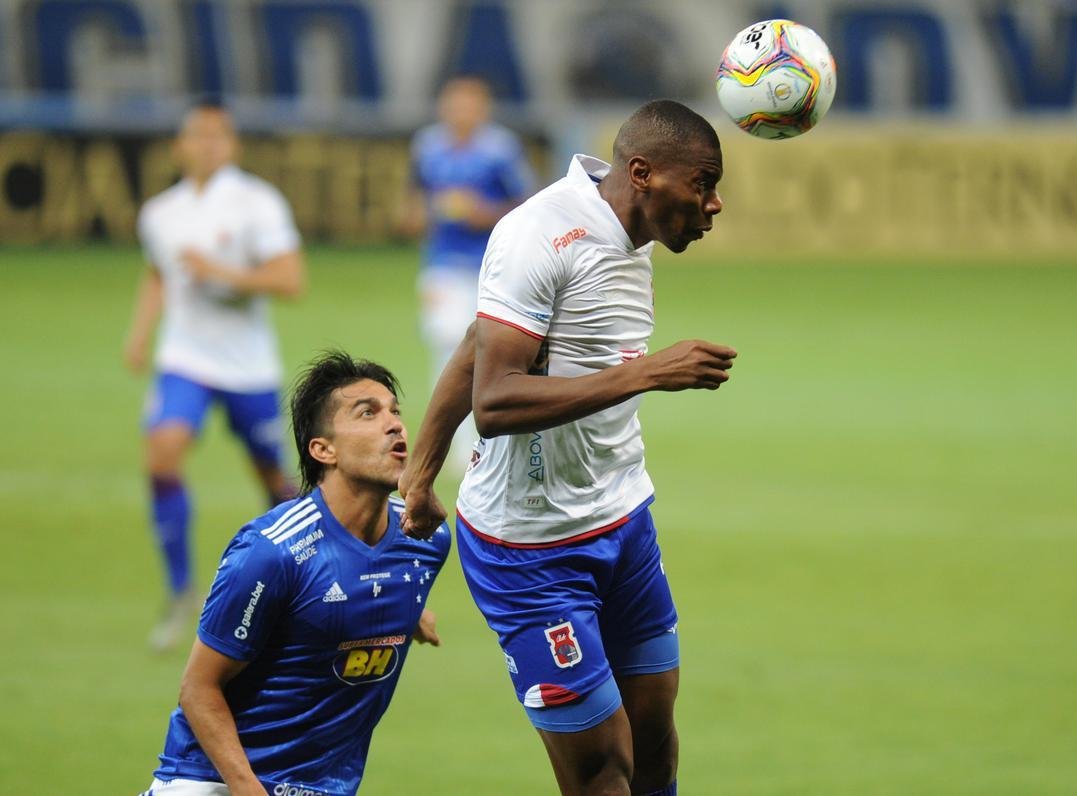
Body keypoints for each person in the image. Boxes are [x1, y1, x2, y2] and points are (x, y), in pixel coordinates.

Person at [400, 100, 736, 795]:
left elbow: (477, 339)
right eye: (702, 184)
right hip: (529, 548)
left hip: (623, 520)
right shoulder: (539, 234)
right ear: (641, 174)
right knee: (602, 771)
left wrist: (419, 474)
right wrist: (647, 372)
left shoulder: (633, 233)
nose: (714, 203)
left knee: (655, 747)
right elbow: (494, 401)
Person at [141, 351, 450, 796]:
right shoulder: (272, 551)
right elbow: (198, 688)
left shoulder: (424, 539)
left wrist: (409, 614)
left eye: (395, 411)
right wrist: (248, 790)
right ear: (324, 450)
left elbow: (361, 583)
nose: (395, 425)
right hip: (215, 782)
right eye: (368, 413)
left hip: (322, 787)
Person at [123, 100, 307, 652]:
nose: (207, 144)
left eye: (217, 135)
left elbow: (291, 280)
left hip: (248, 367)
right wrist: (140, 333)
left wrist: (222, 272)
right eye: (197, 135)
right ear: (178, 146)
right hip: (184, 360)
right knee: (162, 454)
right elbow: (158, 273)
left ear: (233, 145)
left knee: (277, 484)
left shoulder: (257, 203)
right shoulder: (160, 213)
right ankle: (181, 590)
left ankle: (304, 582)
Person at [402, 75, 535, 466]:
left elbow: (529, 204)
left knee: (494, 350)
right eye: (454, 104)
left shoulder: (500, 150)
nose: (461, 112)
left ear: (483, 108)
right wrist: (418, 216)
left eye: (469, 104)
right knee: (446, 346)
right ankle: (455, 447)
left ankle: (492, 439)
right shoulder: (427, 146)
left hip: (492, 267)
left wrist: (485, 213)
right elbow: (413, 201)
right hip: (442, 265)